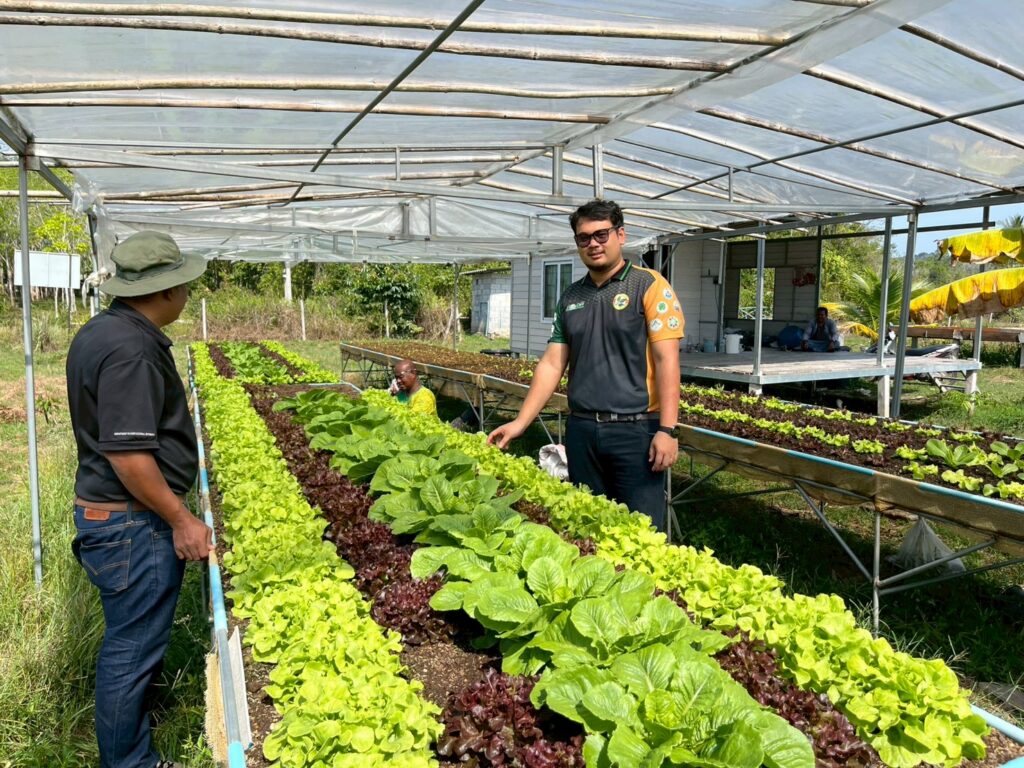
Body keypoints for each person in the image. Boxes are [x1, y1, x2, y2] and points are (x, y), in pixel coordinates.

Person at [66, 230, 212, 768]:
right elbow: (128, 456)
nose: (187, 294)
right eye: (185, 285)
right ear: (166, 291)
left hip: (115, 519)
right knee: (130, 652)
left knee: (132, 645)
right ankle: (130, 762)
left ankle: (128, 742)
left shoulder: (103, 331)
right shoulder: (132, 350)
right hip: (134, 524)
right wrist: (181, 519)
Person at [488, 199, 683, 530]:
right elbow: (552, 364)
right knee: (586, 525)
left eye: (601, 234)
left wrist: (667, 430)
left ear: (620, 235)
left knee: (641, 527)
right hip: (582, 430)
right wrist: (521, 422)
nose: (593, 243)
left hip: (635, 430)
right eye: (584, 237)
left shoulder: (649, 286)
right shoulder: (571, 297)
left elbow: (668, 360)